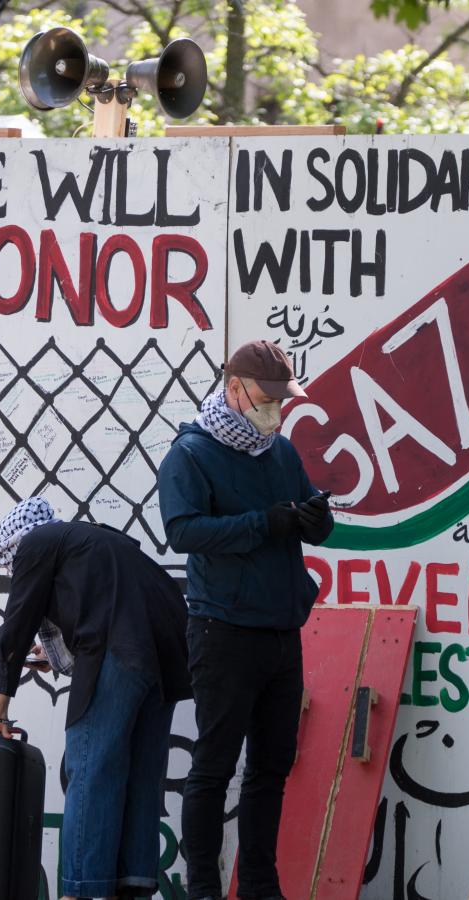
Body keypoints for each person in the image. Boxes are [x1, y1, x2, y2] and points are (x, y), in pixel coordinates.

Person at [157, 339, 334, 900]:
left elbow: (307, 518)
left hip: (281, 630)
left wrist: (313, 520)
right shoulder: (190, 454)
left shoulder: (279, 451)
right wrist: (267, 523)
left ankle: (260, 884)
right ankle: (204, 887)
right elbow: (183, 532)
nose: (276, 411)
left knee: (272, 766)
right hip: (223, 628)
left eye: (283, 400)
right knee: (213, 766)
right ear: (233, 389)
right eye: (266, 398)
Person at [0, 498, 192, 900]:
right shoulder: (92, 540)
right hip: (169, 653)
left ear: (15, 547)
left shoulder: (35, 543)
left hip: (123, 649)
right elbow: (100, 607)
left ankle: (79, 892)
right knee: (140, 774)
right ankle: (133, 884)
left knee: (89, 766)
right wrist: (55, 659)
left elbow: (16, 627)